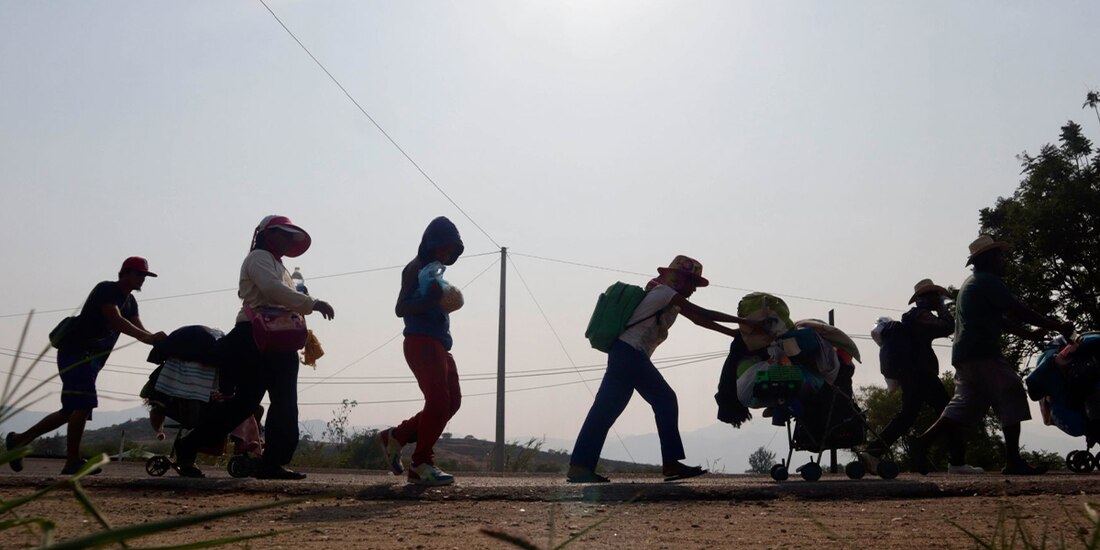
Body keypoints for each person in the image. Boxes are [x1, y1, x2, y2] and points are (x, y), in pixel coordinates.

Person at [567, 255, 759, 483]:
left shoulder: (668, 298)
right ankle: (670, 463)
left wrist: (734, 333)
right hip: (630, 353)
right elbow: (704, 313)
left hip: (624, 354)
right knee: (665, 399)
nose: (694, 289)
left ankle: (580, 466)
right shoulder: (664, 293)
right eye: (692, 283)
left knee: (605, 410)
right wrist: (746, 322)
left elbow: (699, 320)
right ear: (678, 280)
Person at [172, 215, 335, 479]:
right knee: (246, 404)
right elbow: (271, 290)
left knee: (283, 402)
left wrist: (304, 304)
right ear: (268, 235)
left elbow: (282, 296)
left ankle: (273, 461)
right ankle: (190, 445)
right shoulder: (258, 258)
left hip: (278, 336)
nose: (287, 240)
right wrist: (312, 303)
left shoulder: (280, 266)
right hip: (254, 335)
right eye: (283, 234)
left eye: (290, 236)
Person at [910, 235, 1075, 475]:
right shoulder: (987, 281)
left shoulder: (973, 283)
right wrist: (1057, 326)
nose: (1003, 260)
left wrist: (1030, 336)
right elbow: (1018, 310)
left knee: (963, 405)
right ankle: (1013, 461)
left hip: (966, 353)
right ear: (988, 259)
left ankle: (922, 443)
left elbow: (1001, 320)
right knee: (1011, 390)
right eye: (1000, 256)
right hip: (981, 352)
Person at [6, 257, 167, 475]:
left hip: (92, 360)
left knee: (72, 409)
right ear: (126, 272)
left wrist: (157, 340)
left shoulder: (130, 302)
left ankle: (19, 440)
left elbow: (139, 329)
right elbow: (116, 320)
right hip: (76, 353)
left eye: (145, 276)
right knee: (83, 404)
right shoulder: (107, 290)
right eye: (140, 274)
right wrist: (148, 339)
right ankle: (72, 461)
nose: (143, 280)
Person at [378, 216, 465, 486]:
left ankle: (397, 436)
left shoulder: (434, 272)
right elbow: (400, 308)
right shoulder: (415, 268)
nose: (445, 254)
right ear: (430, 245)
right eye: (442, 248)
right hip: (421, 341)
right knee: (438, 402)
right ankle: (421, 463)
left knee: (451, 402)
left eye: (450, 250)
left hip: (439, 342)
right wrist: (430, 300)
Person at [865, 279, 982, 474]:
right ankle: (957, 461)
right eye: (934, 295)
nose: (937, 298)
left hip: (912, 373)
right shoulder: (920, 315)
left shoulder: (913, 317)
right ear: (924, 298)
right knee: (949, 411)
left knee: (909, 415)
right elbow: (947, 327)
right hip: (920, 373)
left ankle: (873, 452)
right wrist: (942, 309)